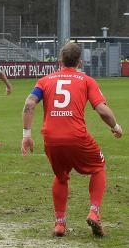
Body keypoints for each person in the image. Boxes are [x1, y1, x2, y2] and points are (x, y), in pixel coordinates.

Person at [21, 42, 123, 237]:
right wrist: (115, 127)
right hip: (77, 137)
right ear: (80, 62)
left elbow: (29, 104)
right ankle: (94, 212)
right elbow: (101, 109)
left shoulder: (44, 80)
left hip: (51, 138)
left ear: (60, 61)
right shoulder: (86, 80)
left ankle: (60, 224)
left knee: (60, 177)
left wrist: (26, 135)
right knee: (98, 167)